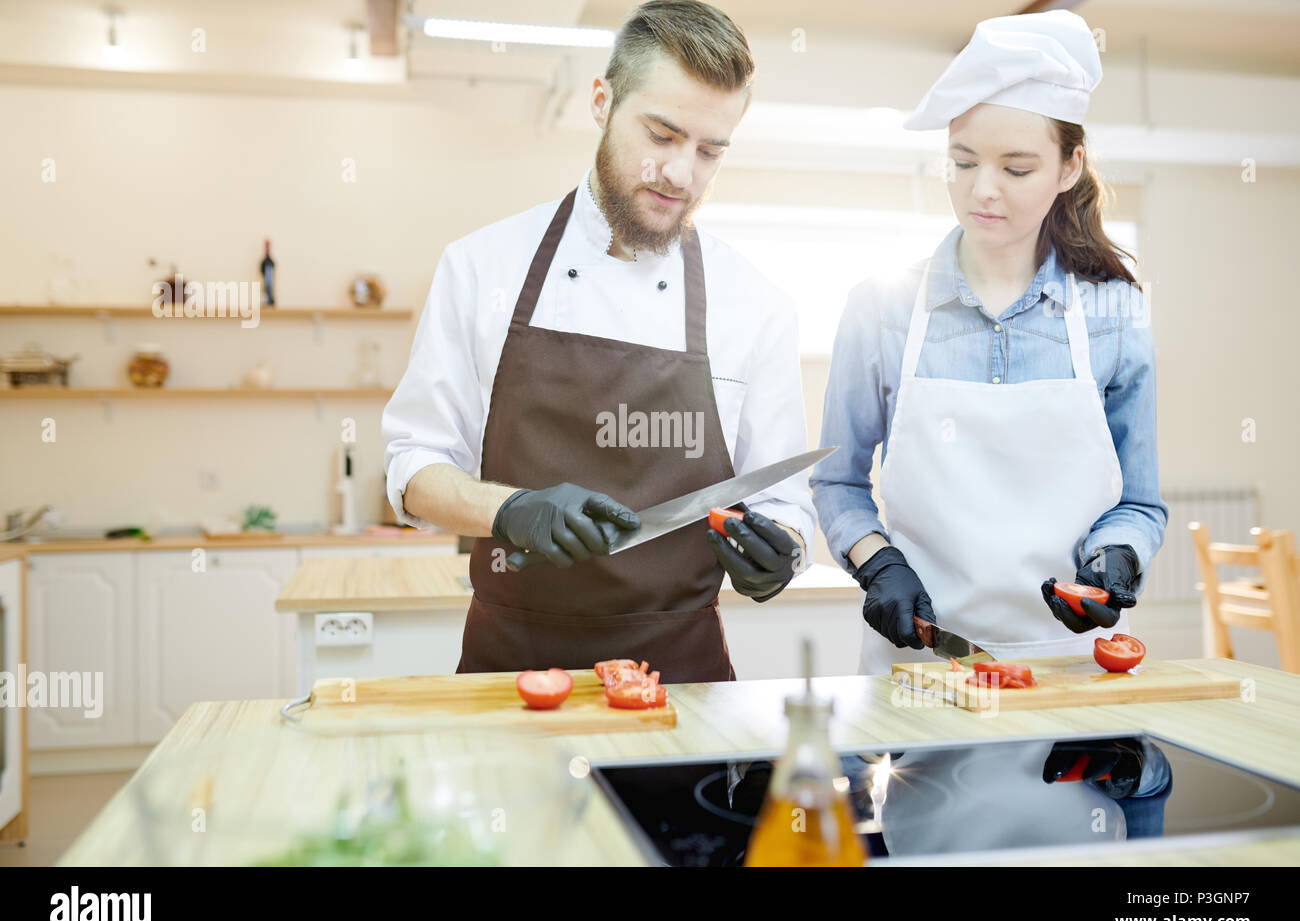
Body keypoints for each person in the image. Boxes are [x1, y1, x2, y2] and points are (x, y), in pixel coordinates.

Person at [382, 1, 815, 682]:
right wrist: (512, 509)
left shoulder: (755, 303)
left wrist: (781, 550)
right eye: (662, 134)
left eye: (710, 151)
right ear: (601, 101)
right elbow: (413, 469)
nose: (682, 174)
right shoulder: (480, 267)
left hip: (683, 690)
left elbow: (785, 501)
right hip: (510, 680)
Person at [812, 10, 1168, 673]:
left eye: (1017, 167)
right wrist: (877, 562)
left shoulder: (1114, 315)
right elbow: (837, 483)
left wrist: (1119, 557)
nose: (983, 190)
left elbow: (1139, 503)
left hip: (1071, 665)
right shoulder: (880, 309)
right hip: (921, 665)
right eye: (963, 161)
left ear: (1069, 168)